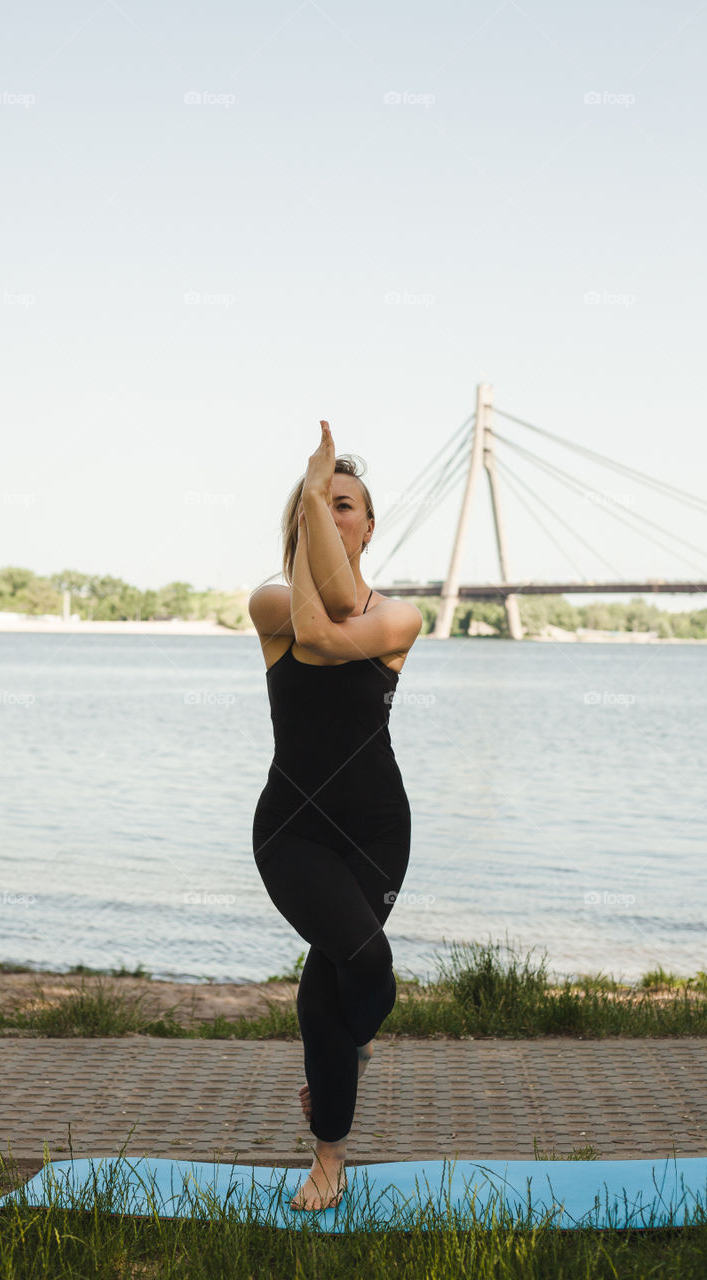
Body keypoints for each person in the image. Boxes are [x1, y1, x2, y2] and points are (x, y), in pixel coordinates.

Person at [248, 421, 423, 1211]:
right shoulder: (269, 603)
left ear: (369, 524)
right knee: (353, 967)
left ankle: (344, 1056)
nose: (332, 513)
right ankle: (329, 1159)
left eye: (345, 505)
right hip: (292, 830)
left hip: (378, 829)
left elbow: (344, 613)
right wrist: (312, 501)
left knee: (354, 973)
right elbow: (317, 618)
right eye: (320, 506)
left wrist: (316, 490)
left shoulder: (399, 617)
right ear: (297, 528)